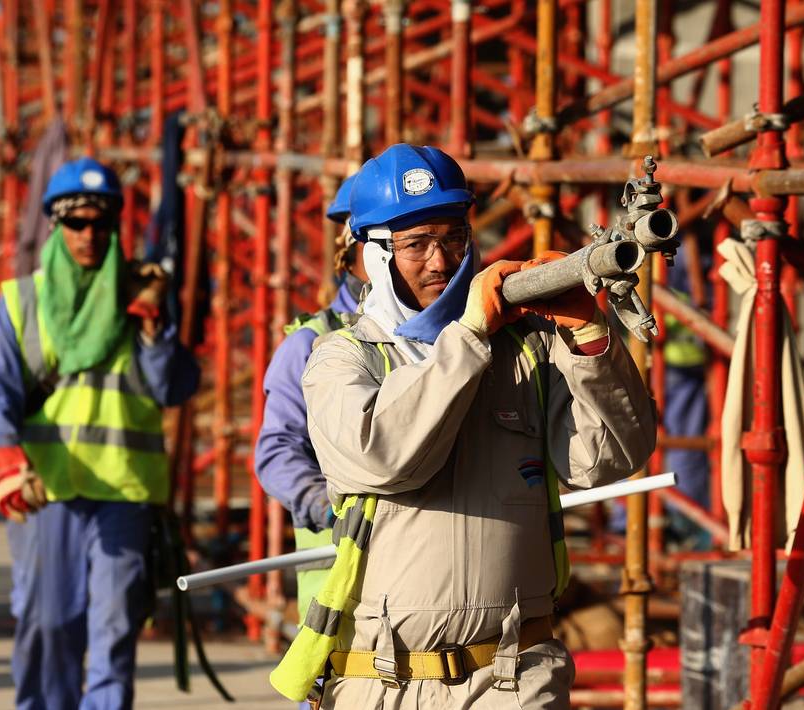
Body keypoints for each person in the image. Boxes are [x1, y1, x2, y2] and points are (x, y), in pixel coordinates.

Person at [270, 144, 657, 708]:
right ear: (375, 254)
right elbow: (384, 458)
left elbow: (605, 460)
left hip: (515, 677)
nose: (440, 262)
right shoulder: (342, 356)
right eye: (416, 244)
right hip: (385, 682)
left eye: (454, 239)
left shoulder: (525, 349)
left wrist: (589, 338)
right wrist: (469, 336)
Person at [0, 157, 200, 710]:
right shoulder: (23, 301)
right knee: (47, 625)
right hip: (47, 492)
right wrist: (5, 464)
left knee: (114, 629)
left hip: (123, 494)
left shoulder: (140, 293)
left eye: (100, 222)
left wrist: (154, 331)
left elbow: (172, 388)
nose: (89, 234)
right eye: (77, 222)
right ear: (56, 224)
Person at [254, 172, 369, 623]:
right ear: (350, 247)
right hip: (337, 598)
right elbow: (276, 451)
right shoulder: (309, 343)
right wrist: (325, 504)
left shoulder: (450, 339)